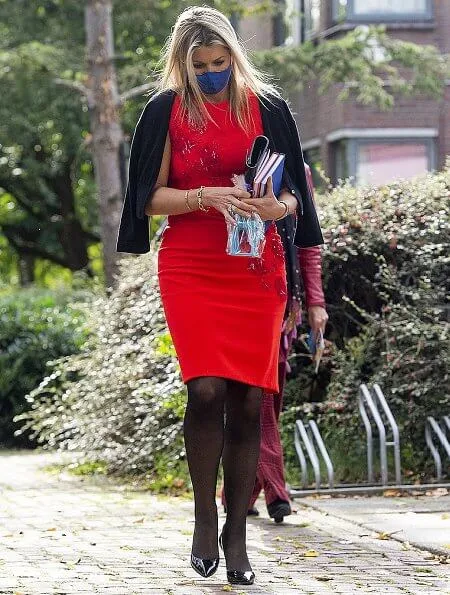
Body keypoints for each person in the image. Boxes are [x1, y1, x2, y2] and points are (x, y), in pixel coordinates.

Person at [116, 6, 323, 586]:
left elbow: (297, 200)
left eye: (220, 61)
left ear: (235, 55)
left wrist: (272, 206)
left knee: (251, 403)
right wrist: (205, 195)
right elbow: (148, 200)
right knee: (205, 390)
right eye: (200, 64)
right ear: (181, 64)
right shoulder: (165, 111)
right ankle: (204, 517)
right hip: (193, 263)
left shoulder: (270, 108)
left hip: (257, 267)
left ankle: (237, 533)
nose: (212, 72)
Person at [221, 165, 328, 523]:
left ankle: (241, 488)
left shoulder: (298, 172)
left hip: (282, 299)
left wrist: (316, 303)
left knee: (272, 395)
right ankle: (276, 490)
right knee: (257, 396)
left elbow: (308, 240)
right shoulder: (230, 164)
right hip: (232, 297)